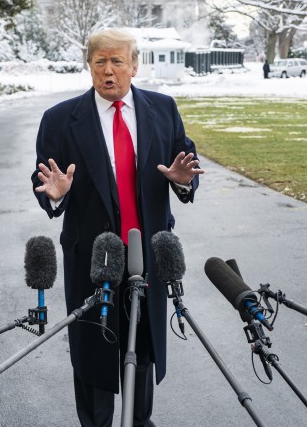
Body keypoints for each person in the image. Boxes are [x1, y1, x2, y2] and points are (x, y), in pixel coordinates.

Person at [31, 28, 204, 427]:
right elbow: (43, 181)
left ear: (134, 66)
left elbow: (186, 164)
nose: (108, 71)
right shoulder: (60, 120)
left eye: (117, 62)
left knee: (142, 351)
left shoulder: (163, 109)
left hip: (147, 259)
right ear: (88, 66)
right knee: (94, 354)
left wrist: (181, 178)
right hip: (93, 261)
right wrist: (55, 192)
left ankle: (139, 421)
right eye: (99, 62)